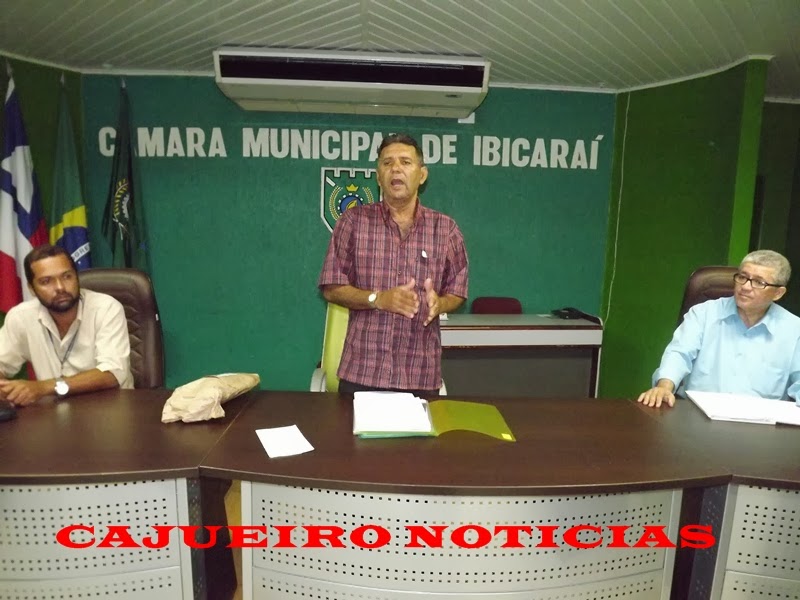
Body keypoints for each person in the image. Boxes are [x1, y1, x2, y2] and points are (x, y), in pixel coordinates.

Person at [318, 133, 469, 396]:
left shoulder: (445, 229)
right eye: (387, 163)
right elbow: (331, 287)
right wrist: (378, 299)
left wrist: (440, 303)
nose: (396, 169)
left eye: (405, 162)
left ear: (422, 175)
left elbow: (457, 291)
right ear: (379, 177)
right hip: (362, 372)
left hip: (420, 375)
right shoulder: (353, 222)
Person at [638, 250, 800, 408]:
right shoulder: (703, 314)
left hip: (761, 421)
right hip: (697, 415)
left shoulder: (794, 330)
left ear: (778, 293)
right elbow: (679, 354)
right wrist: (664, 387)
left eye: (759, 282)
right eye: (742, 277)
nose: (745, 287)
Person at [0, 245, 132, 406]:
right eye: (46, 281)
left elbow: (113, 374)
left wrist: (45, 387)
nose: (60, 287)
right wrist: (4, 389)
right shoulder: (21, 317)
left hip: (111, 409)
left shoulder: (106, 308)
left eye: (67, 277)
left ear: (77, 277)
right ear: (31, 289)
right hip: (52, 412)